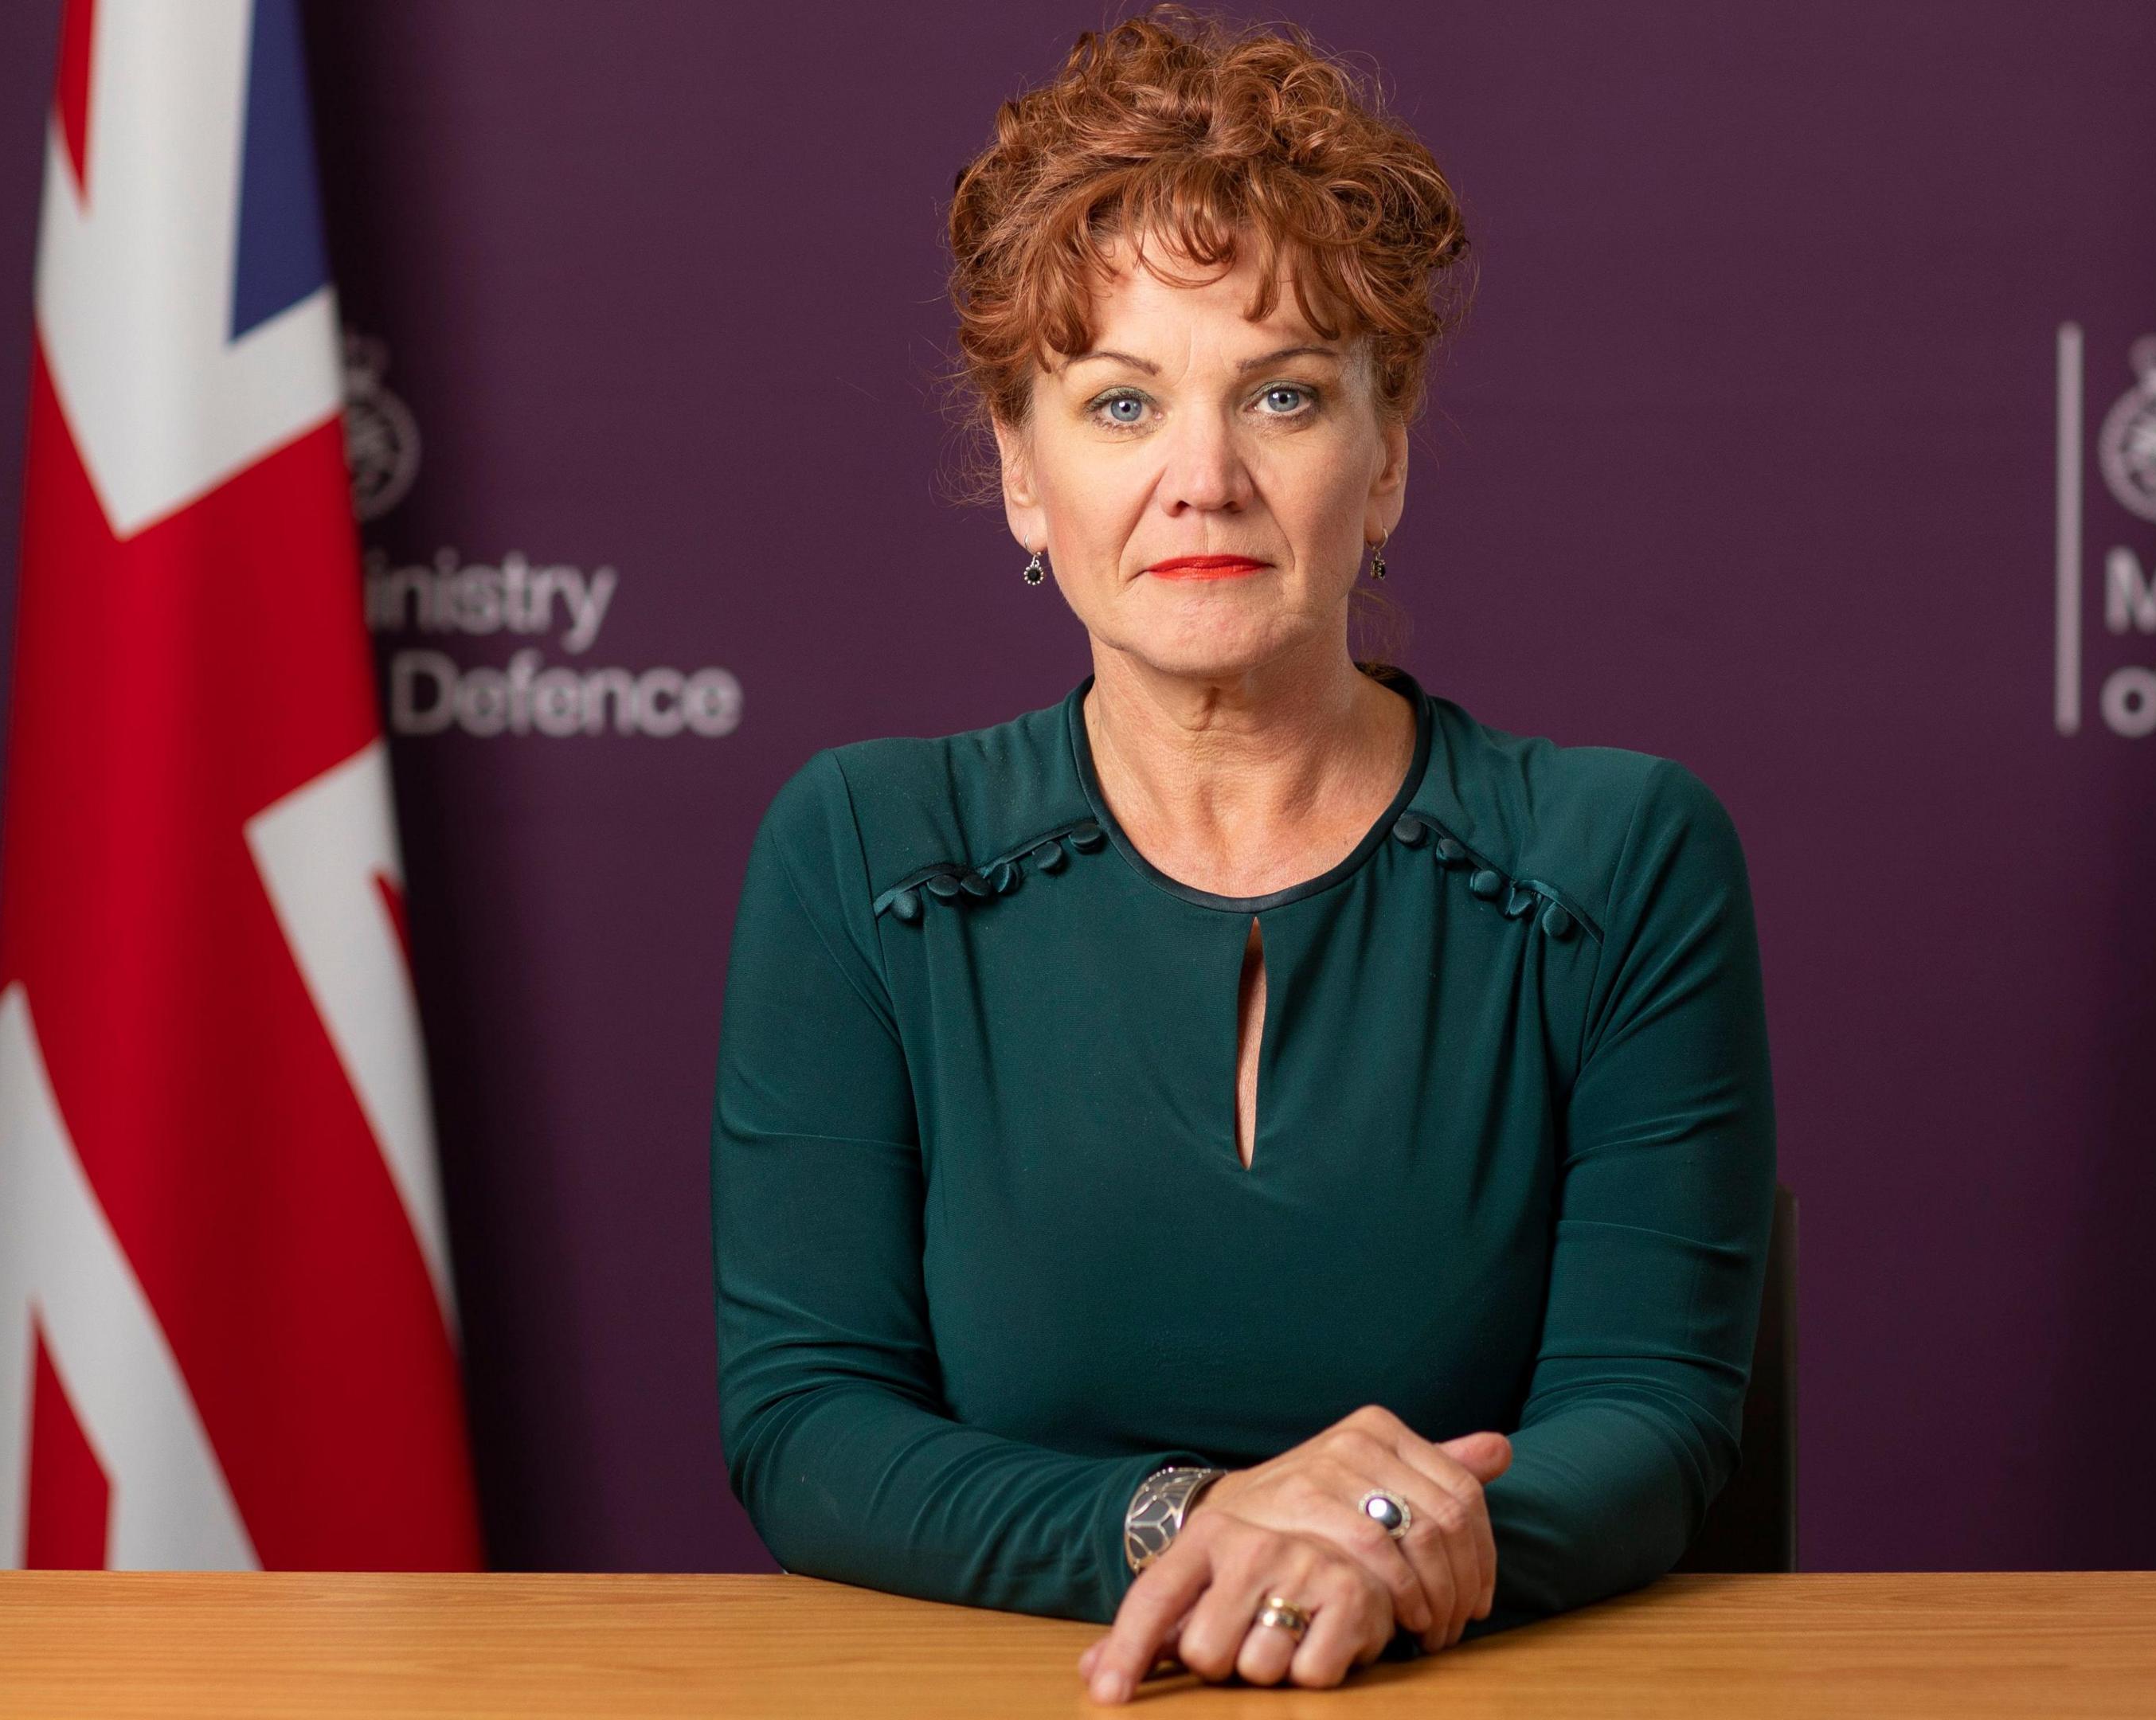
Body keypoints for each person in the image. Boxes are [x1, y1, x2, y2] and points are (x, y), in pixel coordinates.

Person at [710, 10, 1776, 1701]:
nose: (1200, 480)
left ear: (1389, 454)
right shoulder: (865, 851)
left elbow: (1648, 1420)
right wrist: (1202, 1523)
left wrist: (1361, 1543)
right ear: (1020, 474)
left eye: (1280, 394)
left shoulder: (1624, 853)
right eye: (1120, 404)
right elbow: (810, 1425)